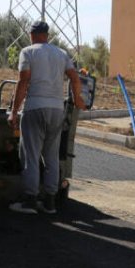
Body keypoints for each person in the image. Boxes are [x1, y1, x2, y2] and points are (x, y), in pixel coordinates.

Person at [7, 21, 87, 214]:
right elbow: (75, 77)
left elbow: (23, 80)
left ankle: (30, 201)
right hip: (56, 109)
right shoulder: (61, 53)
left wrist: (14, 111)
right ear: (47, 35)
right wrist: (77, 99)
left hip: (35, 108)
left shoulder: (28, 52)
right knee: (51, 156)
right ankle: (50, 202)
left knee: (31, 155)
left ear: (31, 34)